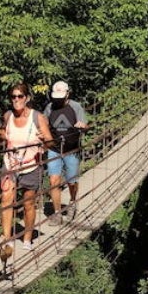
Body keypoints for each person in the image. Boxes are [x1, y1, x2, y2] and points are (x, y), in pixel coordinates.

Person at [0, 81, 54, 251]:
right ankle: (6, 239)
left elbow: (50, 142)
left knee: (28, 203)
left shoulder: (37, 117)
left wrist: (43, 141)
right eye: (13, 97)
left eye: (19, 96)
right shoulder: (8, 115)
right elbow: (6, 136)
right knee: (6, 200)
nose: (16, 100)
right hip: (10, 164)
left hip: (31, 165)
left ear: (27, 98)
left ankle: (27, 237)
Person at [43, 80, 88, 223]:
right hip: (54, 148)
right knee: (53, 180)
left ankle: (73, 201)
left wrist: (82, 126)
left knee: (71, 180)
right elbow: (44, 124)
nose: (58, 100)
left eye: (61, 97)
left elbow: (85, 125)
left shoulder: (76, 107)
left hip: (71, 149)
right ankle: (57, 213)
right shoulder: (50, 107)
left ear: (68, 94)